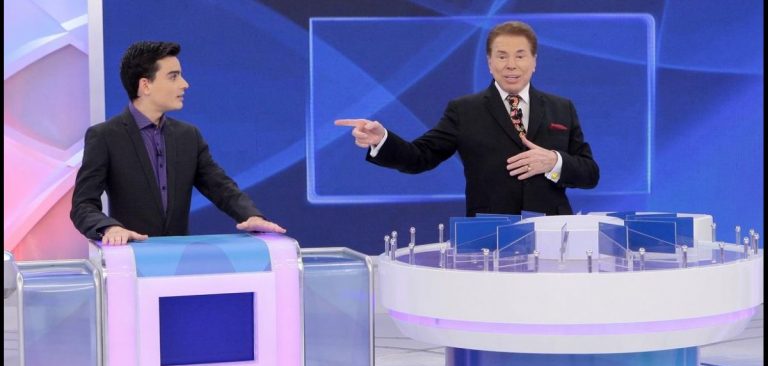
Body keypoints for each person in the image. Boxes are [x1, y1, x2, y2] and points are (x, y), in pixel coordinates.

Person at [335, 21, 599, 217]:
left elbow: (590, 173)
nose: (511, 65)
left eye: (520, 56)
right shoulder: (464, 110)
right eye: (502, 56)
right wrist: (382, 139)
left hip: (552, 232)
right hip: (489, 233)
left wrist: (554, 162)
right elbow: (420, 157)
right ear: (489, 62)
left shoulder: (561, 108)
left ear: (534, 62)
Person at [71, 41, 285, 245]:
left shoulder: (188, 136)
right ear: (145, 85)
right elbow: (83, 204)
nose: (185, 84)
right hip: (130, 259)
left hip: (178, 260)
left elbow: (221, 187)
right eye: (173, 77)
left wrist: (251, 215)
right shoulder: (105, 136)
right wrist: (110, 228)